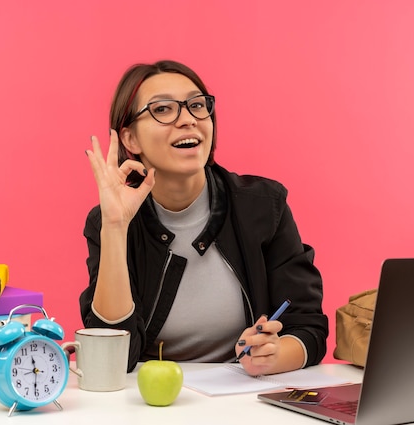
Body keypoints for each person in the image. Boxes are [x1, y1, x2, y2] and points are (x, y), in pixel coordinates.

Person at [80, 60, 328, 376]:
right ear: (131, 140)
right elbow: (109, 358)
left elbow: (307, 326)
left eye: (197, 105)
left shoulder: (263, 206)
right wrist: (115, 227)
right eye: (163, 110)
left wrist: (276, 354)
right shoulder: (108, 222)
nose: (188, 120)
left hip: (243, 397)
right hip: (150, 400)